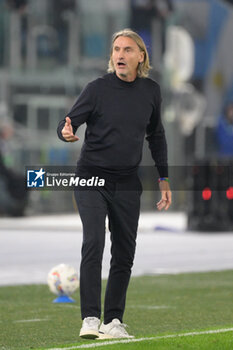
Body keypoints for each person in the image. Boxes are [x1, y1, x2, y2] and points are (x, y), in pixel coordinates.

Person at [57, 28, 172, 339]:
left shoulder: (151, 91)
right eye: (116, 49)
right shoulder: (96, 89)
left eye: (127, 50)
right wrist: (65, 131)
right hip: (91, 177)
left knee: (124, 252)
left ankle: (113, 321)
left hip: (126, 182)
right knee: (94, 241)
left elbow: (156, 136)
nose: (120, 55)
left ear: (140, 57)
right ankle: (91, 319)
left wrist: (163, 178)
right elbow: (67, 122)